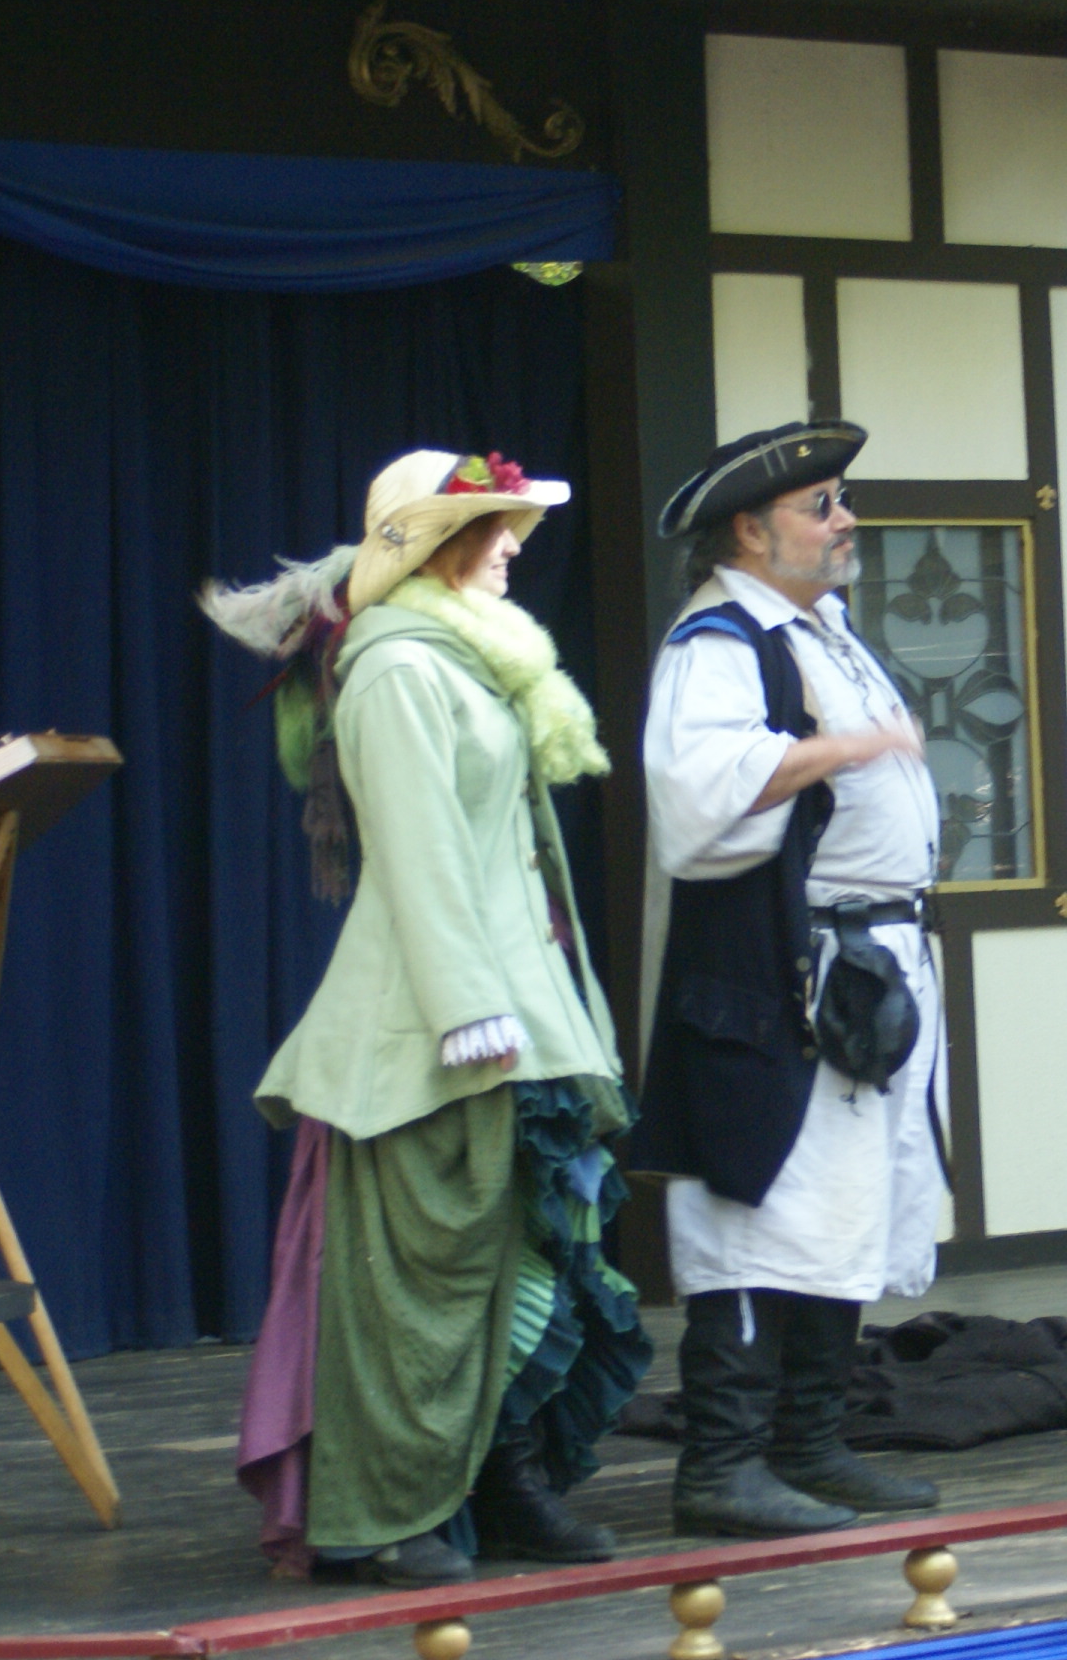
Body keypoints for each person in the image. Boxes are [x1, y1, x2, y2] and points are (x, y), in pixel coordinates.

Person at [215, 450, 648, 1587]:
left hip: (519, 1013)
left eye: (508, 527)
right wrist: (467, 1004)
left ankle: (501, 1482)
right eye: (487, 529)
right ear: (433, 547)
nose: (510, 548)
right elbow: (417, 846)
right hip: (438, 1028)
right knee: (419, 1287)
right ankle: (388, 1507)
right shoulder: (400, 669)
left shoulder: (473, 661)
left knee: (518, 1262)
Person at [634, 421, 949, 1537]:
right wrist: (840, 750)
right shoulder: (718, 642)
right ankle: (721, 1467)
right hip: (785, 974)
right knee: (759, 1210)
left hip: (867, 968)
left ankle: (811, 1444)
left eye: (841, 497)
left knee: (843, 1207)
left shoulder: (822, 629)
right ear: (748, 531)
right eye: (821, 505)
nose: (844, 519)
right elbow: (696, 792)